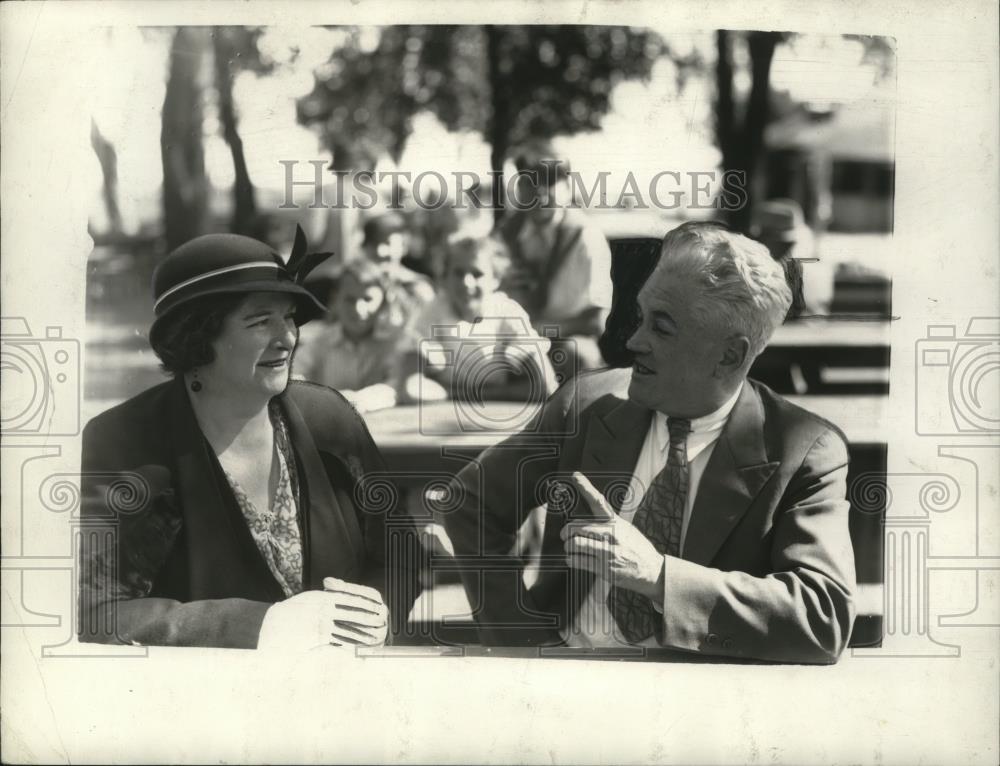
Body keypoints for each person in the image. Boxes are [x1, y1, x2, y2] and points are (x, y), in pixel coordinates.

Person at [441, 221, 857, 664]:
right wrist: (520, 641)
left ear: (730, 354)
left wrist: (659, 576)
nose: (634, 341)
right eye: (641, 317)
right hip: (566, 684)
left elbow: (824, 615)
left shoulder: (804, 452)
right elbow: (471, 500)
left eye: (662, 327)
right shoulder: (586, 405)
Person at [78, 232, 419, 649]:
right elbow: (95, 610)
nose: (288, 337)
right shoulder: (125, 441)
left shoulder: (329, 418)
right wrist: (258, 626)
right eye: (260, 321)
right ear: (198, 334)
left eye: (289, 316)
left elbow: (402, 554)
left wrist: (377, 614)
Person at [496, 142, 614, 381]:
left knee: (576, 354)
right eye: (529, 181)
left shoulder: (584, 236)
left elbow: (595, 321)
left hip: (563, 341)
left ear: (567, 187)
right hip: (511, 340)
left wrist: (537, 330)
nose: (539, 191)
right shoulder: (507, 233)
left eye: (549, 181)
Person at [397, 233, 559, 404]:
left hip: (497, 414)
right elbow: (408, 388)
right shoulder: (433, 311)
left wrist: (462, 394)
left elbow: (546, 386)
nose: (467, 282)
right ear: (444, 277)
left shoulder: (507, 311)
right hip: (443, 413)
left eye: (477, 274)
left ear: (495, 279)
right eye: (458, 273)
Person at [294, 259, 401, 413]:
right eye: (349, 300)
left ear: (383, 303)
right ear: (336, 300)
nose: (358, 309)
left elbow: (397, 385)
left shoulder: (392, 343)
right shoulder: (320, 343)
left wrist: (359, 399)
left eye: (368, 299)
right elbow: (294, 378)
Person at [361, 211, 435, 335]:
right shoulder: (353, 287)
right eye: (373, 244)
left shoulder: (418, 288)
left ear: (404, 247)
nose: (380, 251)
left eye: (388, 243)